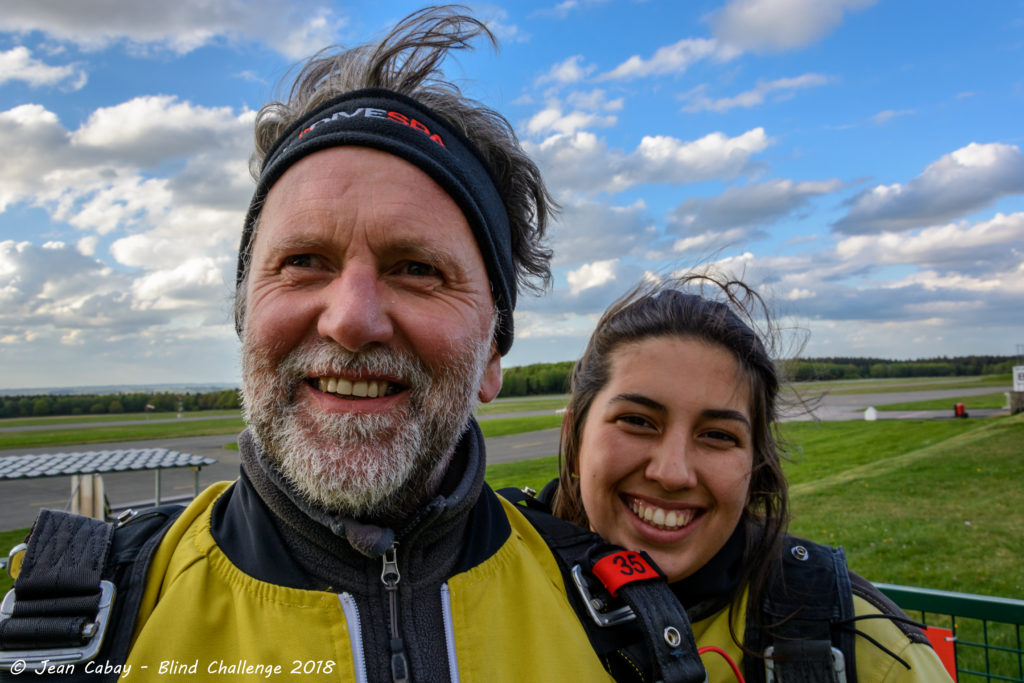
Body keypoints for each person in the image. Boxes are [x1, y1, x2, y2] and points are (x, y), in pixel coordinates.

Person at [0, 7, 701, 683]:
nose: (351, 319)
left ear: (492, 355)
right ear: (246, 319)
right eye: (303, 260)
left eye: (417, 268)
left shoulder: (620, 622)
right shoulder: (77, 621)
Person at [548, 273, 953, 682]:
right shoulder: (494, 591)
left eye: (718, 436)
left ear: (756, 466)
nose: (672, 473)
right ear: (574, 438)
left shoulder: (873, 652)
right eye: (636, 421)